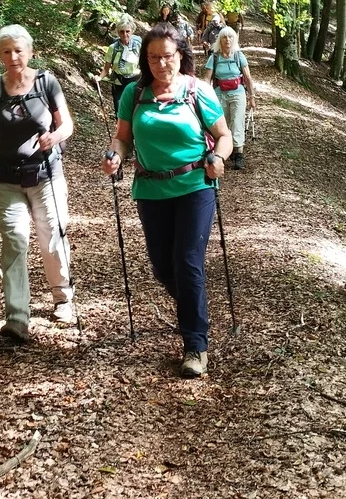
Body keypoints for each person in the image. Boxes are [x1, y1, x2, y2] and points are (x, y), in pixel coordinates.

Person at [100, 22, 233, 378]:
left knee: (187, 261)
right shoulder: (134, 93)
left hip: (195, 184)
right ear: (145, 59)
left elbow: (224, 136)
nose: (162, 64)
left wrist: (218, 159)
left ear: (181, 55)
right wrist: (115, 155)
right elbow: (122, 139)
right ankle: (195, 308)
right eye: (154, 57)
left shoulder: (198, 91)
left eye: (168, 56)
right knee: (162, 267)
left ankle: (195, 344)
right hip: (150, 189)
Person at [0, 25, 76, 343]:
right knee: (14, 241)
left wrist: (54, 136)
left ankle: (63, 298)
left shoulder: (46, 82)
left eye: (18, 50)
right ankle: (17, 318)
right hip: (6, 178)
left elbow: (67, 124)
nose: (13, 57)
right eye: (6, 51)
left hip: (45, 175)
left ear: (30, 51)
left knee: (52, 237)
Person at [202, 26, 255, 170]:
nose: (228, 40)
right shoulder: (214, 57)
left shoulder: (239, 56)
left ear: (234, 39)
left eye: (230, 37)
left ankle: (239, 154)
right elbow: (207, 79)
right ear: (220, 40)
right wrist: (204, 98)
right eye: (224, 37)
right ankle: (223, 152)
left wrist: (252, 97)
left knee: (237, 121)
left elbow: (248, 77)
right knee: (222, 124)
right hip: (219, 92)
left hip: (238, 92)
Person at [99, 16, 142, 111]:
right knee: (119, 111)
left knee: (134, 110)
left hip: (134, 82)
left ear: (132, 31)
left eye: (127, 31)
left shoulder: (138, 46)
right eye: (122, 31)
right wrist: (99, 77)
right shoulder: (113, 48)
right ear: (118, 32)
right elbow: (106, 68)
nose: (125, 34)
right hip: (118, 82)